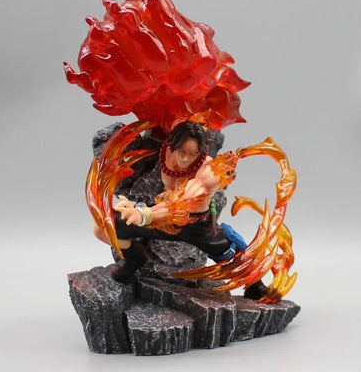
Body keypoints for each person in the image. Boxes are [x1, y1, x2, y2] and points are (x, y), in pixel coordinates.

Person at [93, 121, 267, 299]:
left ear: (202, 152)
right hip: (165, 220)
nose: (185, 159)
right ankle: (134, 257)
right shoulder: (166, 152)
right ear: (171, 144)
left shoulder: (208, 173)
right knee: (104, 228)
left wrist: (143, 214)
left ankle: (255, 284)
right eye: (181, 151)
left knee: (230, 255)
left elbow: (180, 203)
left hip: (196, 226)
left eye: (193, 154)